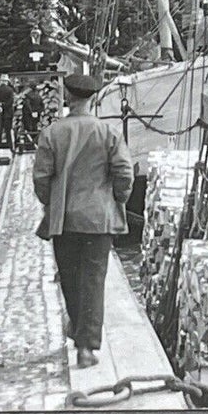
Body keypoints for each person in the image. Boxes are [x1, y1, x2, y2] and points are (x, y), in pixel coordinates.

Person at [33, 72, 133, 369]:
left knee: (71, 279)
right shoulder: (109, 132)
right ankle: (87, 348)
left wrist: (52, 202)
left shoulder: (52, 133)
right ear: (93, 98)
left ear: (68, 97)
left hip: (64, 220)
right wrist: (117, 199)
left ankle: (78, 334)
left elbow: (41, 179)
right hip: (98, 220)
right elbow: (124, 173)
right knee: (93, 280)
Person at [0, 73, 16, 150]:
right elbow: (10, 101)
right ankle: (10, 147)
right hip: (8, 113)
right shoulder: (10, 90)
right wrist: (4, 107)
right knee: (8, 131)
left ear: (1, 81)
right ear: (6, 81)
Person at [19, 82, 46, 146]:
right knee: (35, 128)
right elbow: (42, 104)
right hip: (37, 114)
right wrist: (39, 111)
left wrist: (31, 112)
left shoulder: (27, 95)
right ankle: (35, 143)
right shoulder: (38, 95)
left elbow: (27, 105)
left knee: (28, 129)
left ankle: (29, 144)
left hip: (28, 115)